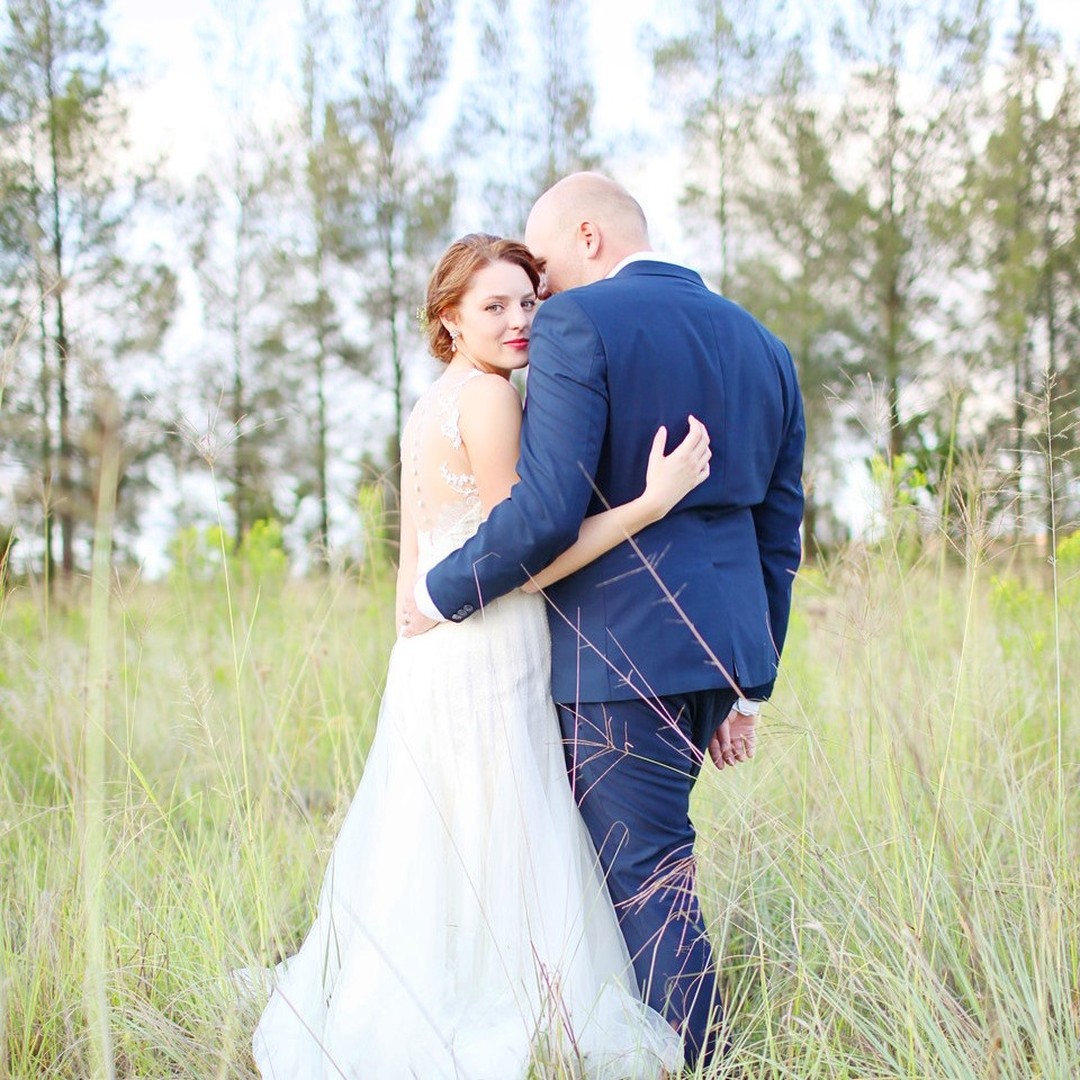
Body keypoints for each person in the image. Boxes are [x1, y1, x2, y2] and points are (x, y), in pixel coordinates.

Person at [252, 233, 714, 1078]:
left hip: (428, 656)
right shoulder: (494, 399)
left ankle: (432, 988)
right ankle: (505, 1000)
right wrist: (651, 503)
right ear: (449, 320)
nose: (519, 321)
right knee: (502, 823)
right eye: (493, 306)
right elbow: (524, 552)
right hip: (490, 644)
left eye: (528, 302)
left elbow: (414, 572)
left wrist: (415, 630)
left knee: (442, 835)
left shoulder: (430, 401)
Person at [403, 173, 806, 1067]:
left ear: (588, 236)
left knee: (644, 879)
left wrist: (437, 593)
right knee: (648, 868)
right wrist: (751, 689)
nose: (537, 298)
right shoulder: (764, 344)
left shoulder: (582, 326)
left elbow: (544, 513)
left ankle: (699, 1060)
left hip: (619, 658)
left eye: (541, 268)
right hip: (721, 660)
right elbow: (780, 534)